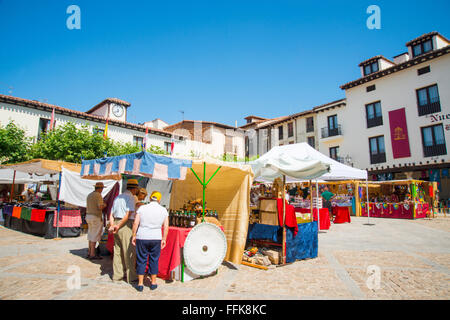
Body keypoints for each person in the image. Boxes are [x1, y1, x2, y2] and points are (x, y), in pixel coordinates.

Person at [132, 191, 168, 291]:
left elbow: (135, 223)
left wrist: (134, 235)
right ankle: (153, 282)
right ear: (159, 200)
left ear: (150, 198)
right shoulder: (163, 210)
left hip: (142, 236)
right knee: (154, 259)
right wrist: (164, 238)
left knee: (141, 259)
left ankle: (140, 284)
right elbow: (166, 226)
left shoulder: (142, 208)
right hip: (156, 237)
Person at [108, 179, 140, 283]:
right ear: (134, 189)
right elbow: (128, 214)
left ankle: (117, 275)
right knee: (128, 251)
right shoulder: (130, 197)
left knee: (117, 251)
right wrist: (119, 225)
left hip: (117, 221)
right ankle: (131, 276)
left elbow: (111, 214)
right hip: (125, 224)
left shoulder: (118, 197)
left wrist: (113, 225)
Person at [85, 182, 107, 260]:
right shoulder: (98, 195)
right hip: (95, 217)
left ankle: (89, 252)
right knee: (94, 236)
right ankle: (92, 254)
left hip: (88, 216)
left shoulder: (89, 195)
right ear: (100, 189)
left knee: (90, 235)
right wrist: (105, 204)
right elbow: (100, 206)